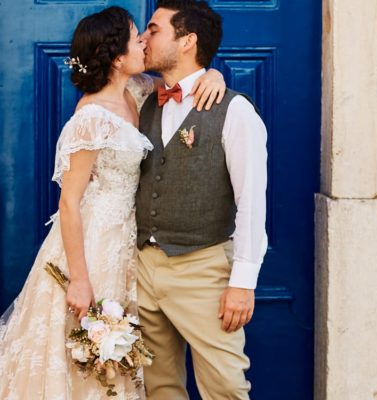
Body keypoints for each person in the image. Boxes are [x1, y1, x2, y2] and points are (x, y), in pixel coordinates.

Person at [0, 6, 226, 400]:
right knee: (86, 350)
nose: (143, 40)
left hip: (132, 240)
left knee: (126, 352)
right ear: (116, 55)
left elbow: (184, 77)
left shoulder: (139, 92)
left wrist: (214, 74)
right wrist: (79, 278)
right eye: (134, 36)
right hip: (95, 242)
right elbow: (70, 202)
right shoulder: (90, 117)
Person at [135, 1, 269, 399]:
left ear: (187, 40)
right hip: (143, 267)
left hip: (203, 269)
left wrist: (243, 284)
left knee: (225, 387)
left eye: (154, 29)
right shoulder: (142, 97)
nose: (144, 37)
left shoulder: (235, 110)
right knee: (157, 387)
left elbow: (252, 202)